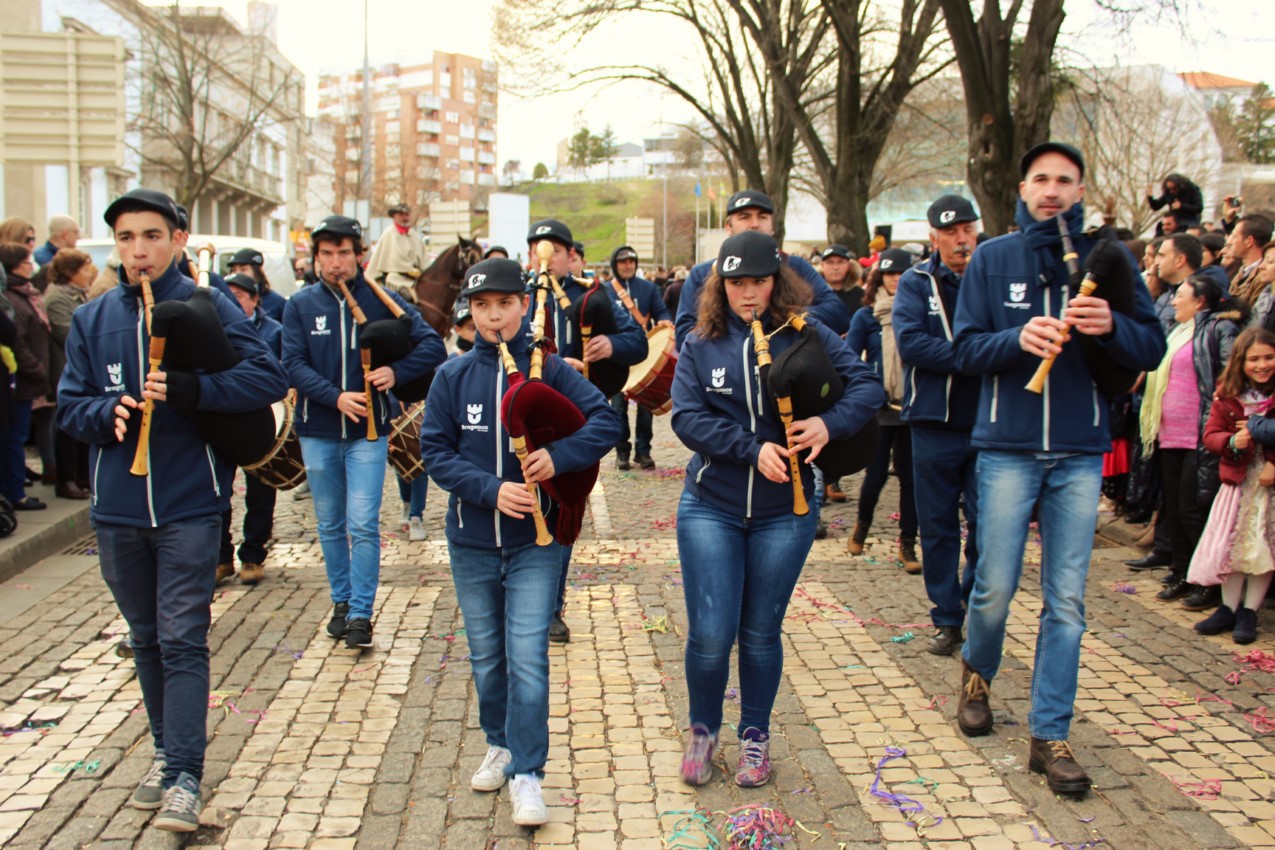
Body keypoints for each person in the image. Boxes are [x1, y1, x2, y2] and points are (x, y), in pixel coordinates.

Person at [57, 188, 288, 831]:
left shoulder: (207, 306)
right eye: (127, 238)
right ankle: (167, 756)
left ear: (178, 240)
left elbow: (267, 378)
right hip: (118, 511)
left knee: (184, 637)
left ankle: (185, 775)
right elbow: (71, 406)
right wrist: (108, 412)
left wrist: (191, 389)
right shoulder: (92, 318)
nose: (139, 250)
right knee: (146, 639)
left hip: (191, 504)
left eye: (152, 236)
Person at [952, 142, 1166, 794]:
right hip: (1007, 449)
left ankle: (1049, 736)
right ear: (1022, 186)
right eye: (1040, 178)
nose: (1051, 189)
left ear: (1079, 189)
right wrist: (1016, 339)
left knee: (1065, 602)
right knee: (992, 586)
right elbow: (962, 350)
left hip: (1078, 449)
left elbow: (1149, 347)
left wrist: (1108, 327)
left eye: (1064, 180)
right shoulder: (992, 258)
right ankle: (976, 671)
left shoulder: (1110, 260)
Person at [671, 230, 882, 788]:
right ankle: (702, 731)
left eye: (758, 282)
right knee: (711, 633)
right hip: (710, 506)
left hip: (784, 513)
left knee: (761, 631)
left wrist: (828, 424)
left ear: (775, 282)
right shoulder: (700, 341)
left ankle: (756, 738)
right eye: (736, 282)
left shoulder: (806, 334)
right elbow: (686, 418)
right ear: (720, 285)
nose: (747, 293)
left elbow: (868, 386)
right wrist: (750, 447)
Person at [421, 257, 621, 827]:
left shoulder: (551, 369)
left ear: (523, 306)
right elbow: (435, 451)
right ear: (470, 313)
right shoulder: (451, 376)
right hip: (471, 540)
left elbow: (607, 423)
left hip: (538, 544)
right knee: (487, 657)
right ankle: (500, 743)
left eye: (504, 304)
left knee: (528, 656)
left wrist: (560, 457)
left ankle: (529, 771)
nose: (494, 316)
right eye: (482, 306)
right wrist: (490, 489)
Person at [282, 215, 446, 649]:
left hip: (368, 433)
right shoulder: (299, 306)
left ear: (361, 255)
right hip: (317, 429)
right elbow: (293, 363)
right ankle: (341, 601)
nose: (336, 263)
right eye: (327, 254)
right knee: (331, 523)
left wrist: (397, 371)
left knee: (363, 523)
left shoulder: (384, 300)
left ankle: (360, 613)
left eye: (344, 253)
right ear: (316, 259)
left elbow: (431, 345)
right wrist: (334, 396)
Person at [526, 219, 647, 644]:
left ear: (569, 256)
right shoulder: (518, 300)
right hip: (525, 421)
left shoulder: (588, 296)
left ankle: (552, 606)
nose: (545, 260)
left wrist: (610, 347)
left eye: (553, 252)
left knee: (561, 513)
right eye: (537, 251)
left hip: (578, 422)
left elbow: (638, 342)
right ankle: (525, 600)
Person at [893, 194, 982, 656]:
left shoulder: (990, 276)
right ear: (934, 237)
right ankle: (947, 617)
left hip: (988, 424)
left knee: (986, 527)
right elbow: (912, 345)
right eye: (950, 231)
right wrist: (974, 358)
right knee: (939, 526)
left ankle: (973, 603)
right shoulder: (915, 281)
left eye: (966, 229)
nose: (960, 239)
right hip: (932, 422)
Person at [1139, 274, 1241, 611]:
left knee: (1193, 510)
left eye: (1179, 295)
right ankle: (1181, 572)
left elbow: (1230, 374)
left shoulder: (1217, 329)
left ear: (1199, 301)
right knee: (1176, 509)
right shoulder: (1177, 332)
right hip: (1170, 434)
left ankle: (1205, 581)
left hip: (1199, 435)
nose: (1173, 301)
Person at [674, 190, 851, 350]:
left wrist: (780, 317)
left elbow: (838, 314)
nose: (755, 224)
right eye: (744, 217)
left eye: (762, 217)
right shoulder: (702, 273)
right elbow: (684, 336)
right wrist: (735, 325)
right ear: (728, 227)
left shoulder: (796, 266)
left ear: (773, 226)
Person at [1189, 327, 1275, 643]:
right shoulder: (1228, 394)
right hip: (1237, 481)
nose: (1262, 365)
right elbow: (1210, 435)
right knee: (1231, 545)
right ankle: (1228, 606)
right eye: (1254, 359)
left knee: (1261, 546)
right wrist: (1232, 440)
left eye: (1269, 357)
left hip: (1267, 483)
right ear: (1241, 361)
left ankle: (1249, 611)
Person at [846, 249, 919, 572]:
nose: (896, 279)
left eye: (902, 273)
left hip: (913, 407)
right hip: (879, 408)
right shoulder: (866, 316)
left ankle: (908, 544)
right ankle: (862, 525)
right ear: (880, 277)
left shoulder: (918, 311)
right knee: (874, 475)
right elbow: (848, 358)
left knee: (910, 479)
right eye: (890, 274)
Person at [215, 272, 284, 585]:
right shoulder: (211, 326)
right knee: (218, 492)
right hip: (222, 420)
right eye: (229, 294)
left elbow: (282, 375)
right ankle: (221, 556)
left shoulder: (274, 331)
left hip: (259, 421)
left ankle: (253, 555)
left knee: (260, 492)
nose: (234, 300)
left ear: (256, 300)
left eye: (241, 295)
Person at [606, 245, 672, 470]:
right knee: (617, 409)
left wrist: (664, 321)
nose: (627, 266)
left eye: (631, 262)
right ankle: (622, 452)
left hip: (643, 355)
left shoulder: (649, 288)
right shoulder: (606, 290)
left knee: (646, 408)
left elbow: (661, 311)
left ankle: (643, 451)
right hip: (616, 359)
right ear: (615, 265)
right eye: (623, 262)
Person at [0, 242, 49, 510]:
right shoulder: (11, 300)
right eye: (27, 261)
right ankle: (13, 492)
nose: (32, 266)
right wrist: (38, 370)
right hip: (17, 379)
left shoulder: (19, 295)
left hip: (21, 377)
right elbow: (12, 336)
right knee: (12, 438)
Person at [44, 249, 96, 499]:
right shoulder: (57, 298)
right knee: (66, 428)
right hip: (64, 367)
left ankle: (82, 475)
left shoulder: (78, 295)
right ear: (71, 272)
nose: (90, 273)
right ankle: (65, 479)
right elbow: (69, 335)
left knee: (82, 426)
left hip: (82, 367)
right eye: (85, 268)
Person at [364, 203, 430, 298]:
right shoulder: (388, 234)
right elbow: (378, 261)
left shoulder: (415, 237)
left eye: (406, 215)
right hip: (395, 280)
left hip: (416, 280)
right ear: (394, 217)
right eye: (401, 215)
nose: (404, 218)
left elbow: (425, 263)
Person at [227, 247, 286, 323]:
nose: (237, 274)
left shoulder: (277, 302)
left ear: (257, 272)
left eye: (243, 269)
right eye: (233, 270)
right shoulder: (226, 299)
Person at [1228, 214, 1274, 304]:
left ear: (1249, 241)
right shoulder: (1240, 271)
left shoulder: (1264, 277)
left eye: (1234, 237)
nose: (1229, 242)